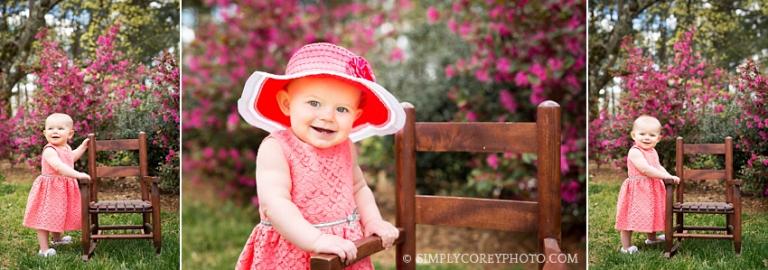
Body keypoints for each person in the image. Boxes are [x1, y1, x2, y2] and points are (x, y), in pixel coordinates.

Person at [235, 42, 406, 269]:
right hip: (293, 247)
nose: (327, 116)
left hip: (345, 247)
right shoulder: (276, 148)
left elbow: (358, 188)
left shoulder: (346, 146)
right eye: (314, 103)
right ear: (287, 104)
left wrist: (373, 221)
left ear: (356, 116)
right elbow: (274, 204)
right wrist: (316, 240)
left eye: (342, 109)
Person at [23, 113, 91, 257]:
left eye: (60, 128)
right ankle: (44, 249)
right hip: (50, 188)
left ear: (70, 133)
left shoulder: (65, 147)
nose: (55, 131)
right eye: (50, 128)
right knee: (45, 217)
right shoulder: (49, 150)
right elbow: (59, 167)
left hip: (61, 188)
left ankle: (57, 239)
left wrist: (83, 148)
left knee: (58, 213)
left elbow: (70, 157)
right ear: (45, 133)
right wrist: (78, 174)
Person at [614, 115, 680, 254]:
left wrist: (669, 176)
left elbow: (657, 166)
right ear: (634, 135)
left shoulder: (653, 151)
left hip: (652, 189)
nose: (646, 137)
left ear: (658, 138)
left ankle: (652, 238)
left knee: (653, 212)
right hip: (637, 190)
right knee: (629, 216)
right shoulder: (635, 152)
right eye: (642, 134)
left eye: (652, 135)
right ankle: (626, 247)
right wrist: (664, 177)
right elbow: (646, 169)